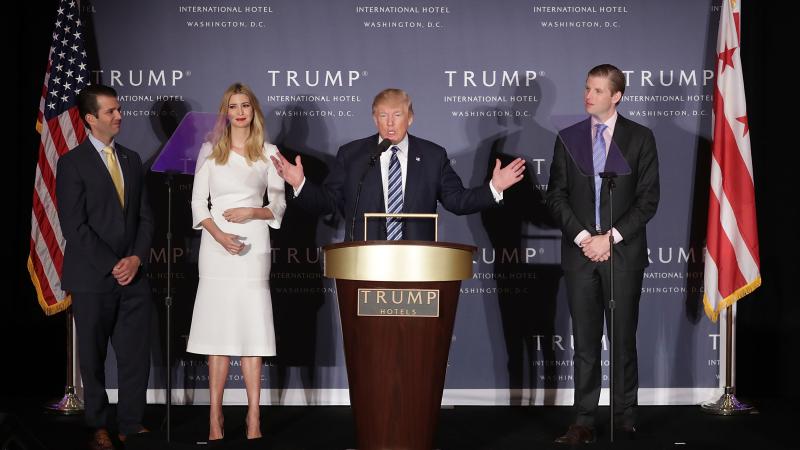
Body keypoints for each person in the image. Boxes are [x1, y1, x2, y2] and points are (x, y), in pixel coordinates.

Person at [546, 64, 659, 444]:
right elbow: (556, 194)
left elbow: (648, 200)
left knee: (623, 338)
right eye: (586, 88)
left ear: (616, 96)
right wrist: (583, 237)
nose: (587, 95)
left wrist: (609, 237)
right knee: (586, 342)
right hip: (580, 253)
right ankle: (583, 421)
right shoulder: (568, 138)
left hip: (622, 253)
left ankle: (625, 417)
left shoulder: (640, 138)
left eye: (596, 90)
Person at [271, 88, 526, 240]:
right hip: (364, 260)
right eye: (383, 115)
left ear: (410, 118)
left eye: (397, 115)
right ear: (374, 119)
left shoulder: (433, 156)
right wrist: (300, 184)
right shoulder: (353, 154)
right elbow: (328, 202)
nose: (390, 123)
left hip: (418, 261)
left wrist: (493, 187)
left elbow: (456, 201)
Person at [186, 82, 286, 441]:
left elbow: (278, 205)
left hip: (253, 245)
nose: (239, 111)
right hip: (216, 249)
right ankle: (215, 419)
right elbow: (199, 203)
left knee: (252, 330)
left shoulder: (269, 152)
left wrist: (253, 210)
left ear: (253, 110)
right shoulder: (211, 150)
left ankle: (254, 418)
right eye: (233, 105)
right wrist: (218, 235)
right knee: (218, 333)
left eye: (245, 105)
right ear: (225, 112)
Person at [56, 84, 154, 450]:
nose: (119, 116)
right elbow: (73, 226)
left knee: (134, 355)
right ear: (90, 119)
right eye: (111, 111)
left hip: (134, 275)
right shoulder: (71, 163)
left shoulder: (131, 159)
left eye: (119, 109)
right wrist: (114, 264)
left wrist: (136, 258)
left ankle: (130, 421)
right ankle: (98, 424)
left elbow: (146, 218)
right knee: (93, 358)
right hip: (93, 277)